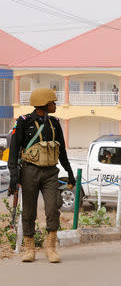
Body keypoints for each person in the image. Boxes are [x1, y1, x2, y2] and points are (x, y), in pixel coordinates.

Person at [8, 88, 76, 263]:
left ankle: (51, 247)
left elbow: (61, 151)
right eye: (52, 102)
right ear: (44, 104)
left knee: (53, 208)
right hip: (29, 171)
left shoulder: (54, 123)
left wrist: (69, 172)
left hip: (51, 172)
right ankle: (29, 249)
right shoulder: (23, 122)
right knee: (29, 212)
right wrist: (14, 177)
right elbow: (14, 151)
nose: (55, 105)